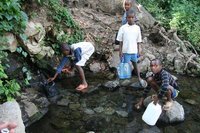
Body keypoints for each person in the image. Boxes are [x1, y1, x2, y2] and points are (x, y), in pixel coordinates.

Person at [116, 9, 144, 85]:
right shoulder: (123, 28)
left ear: (135, 18)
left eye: (132, 17)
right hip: (125, 51)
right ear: (126, 18)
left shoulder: (137, 28)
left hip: (134, 51)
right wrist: (120, 52)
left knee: (135, 65)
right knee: (124, 65)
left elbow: (138, 41)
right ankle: (121, 79)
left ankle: (138, 77)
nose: (131, 19)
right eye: (129, 17)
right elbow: (120, 41)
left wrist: (139, 50)